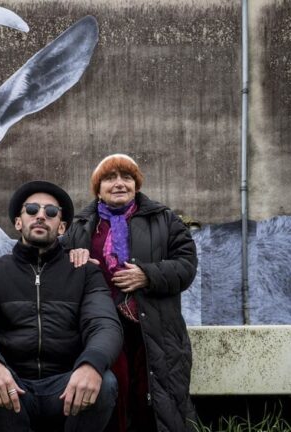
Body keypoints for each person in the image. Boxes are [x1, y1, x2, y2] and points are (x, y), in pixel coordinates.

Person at [0, 180, 123, 432]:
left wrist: (91, 364)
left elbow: (104, 324)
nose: (41, 216)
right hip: (14, 384)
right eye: (32, 210)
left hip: (67, 385)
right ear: (18, 222)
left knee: (105, 381)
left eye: (51, 212)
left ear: (62, 227)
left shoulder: (84, 272)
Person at [63, 154, 198, 432]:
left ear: (136, 185)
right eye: (110, 178)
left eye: (127, 177)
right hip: (101, 329)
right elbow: (54, 272)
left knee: (154, 399)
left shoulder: (164, 219)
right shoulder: (79, 227)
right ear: (97, 188)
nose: (119, 183)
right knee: (113, 392)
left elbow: (186, 266)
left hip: (155, 329)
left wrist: (147, 275)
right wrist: (73, 264)